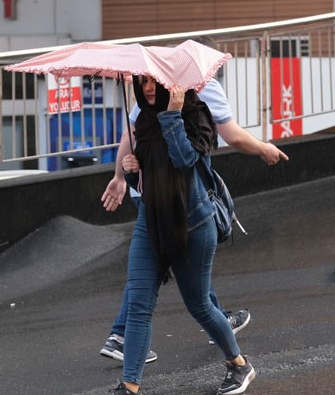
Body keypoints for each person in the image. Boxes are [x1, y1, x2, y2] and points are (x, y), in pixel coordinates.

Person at [100, 77, 288, 362]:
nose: (149, 87)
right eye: (143, 82)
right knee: (144, 286)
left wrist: (172, 116)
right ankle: (125, 353)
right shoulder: (155, 105)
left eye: (153, 82)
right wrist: (124, 174)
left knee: (188, 293)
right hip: (154, 205)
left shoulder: (193, 102)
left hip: (185, 207)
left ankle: (231, 352)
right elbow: (135, 140)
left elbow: (185, 158)